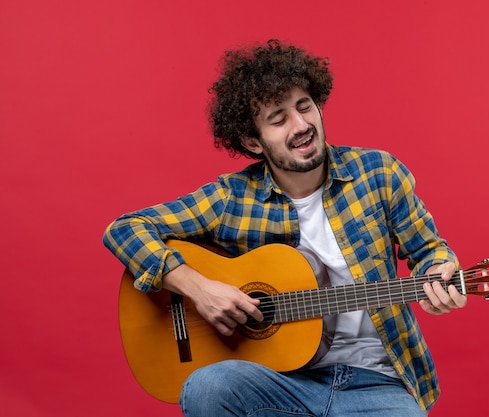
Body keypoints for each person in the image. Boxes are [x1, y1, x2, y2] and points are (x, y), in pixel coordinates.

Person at [103, 39, 467, 417]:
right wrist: (201, 289)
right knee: (208, 386)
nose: (301, 125)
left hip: (376, 381)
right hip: (280, 382)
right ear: (252, 142)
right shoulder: (232, 199)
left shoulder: (378, 173)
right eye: (278, 119)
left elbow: (429, 251)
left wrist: (439, 273)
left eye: (305, 107)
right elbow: (125, 229)